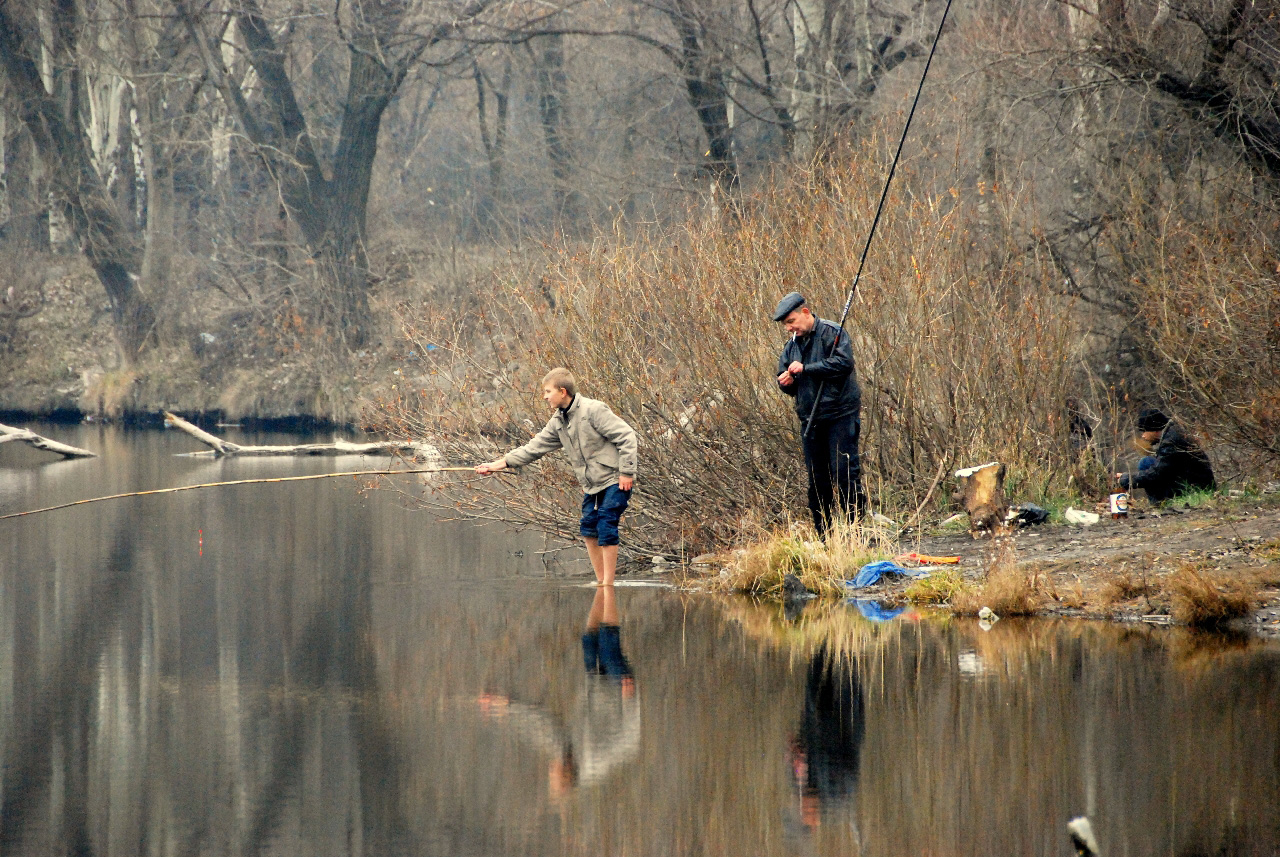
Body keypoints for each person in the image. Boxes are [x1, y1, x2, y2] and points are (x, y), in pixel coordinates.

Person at [477, 368, 637, 585]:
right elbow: (534, 447)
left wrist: (627, 472)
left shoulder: (594, 410)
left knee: (606, 523)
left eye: (547, 391)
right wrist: (497, 465)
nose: (544, 396)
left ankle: (608, 585)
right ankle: (601, 582)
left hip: (615, 478)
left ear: (563, 391)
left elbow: (627, 436)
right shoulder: (558, 421)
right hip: (592, 485)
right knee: (588, 528)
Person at [773, 291, 868, 536]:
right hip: (810, 420)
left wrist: (808, 369)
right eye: (786, 325)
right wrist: (786, 382)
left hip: (840, 415)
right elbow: (792, 386)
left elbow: (844, 364)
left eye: (791, 322)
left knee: (844, 474)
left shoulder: (832, 333)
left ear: (805, 313)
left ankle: (854, 532)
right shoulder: (791, 346)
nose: (789, 328)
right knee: (817, 482)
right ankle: (825, 536)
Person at [1115, 408, 1215, 503]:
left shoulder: (1171, 441)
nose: (1143, 435)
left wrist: (1126, 479)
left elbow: (1157, 473)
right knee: (1148, 462)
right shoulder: (1173, 433)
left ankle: (1161, 504)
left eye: (1145, 431)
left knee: (1145, 463)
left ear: (1154, 429)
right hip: (1196, 483)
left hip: (1194, 488)